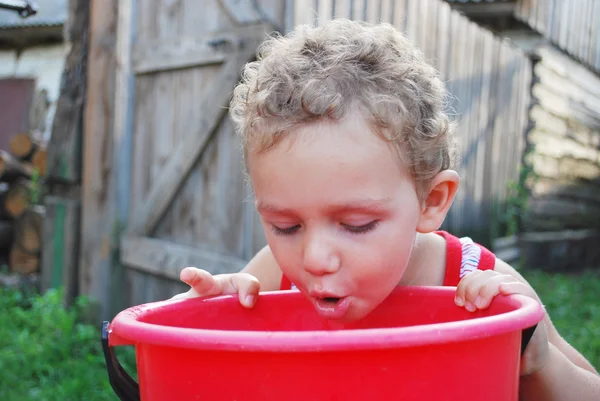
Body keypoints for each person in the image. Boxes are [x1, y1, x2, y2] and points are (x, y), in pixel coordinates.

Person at [170, 18, 599, 399]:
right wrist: (216, 323)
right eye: (286, 226)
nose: (315, 258)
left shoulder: (480, 284)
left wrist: (540, 361)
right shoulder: (271, 279)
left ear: (431, 202)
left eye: (356, 225)